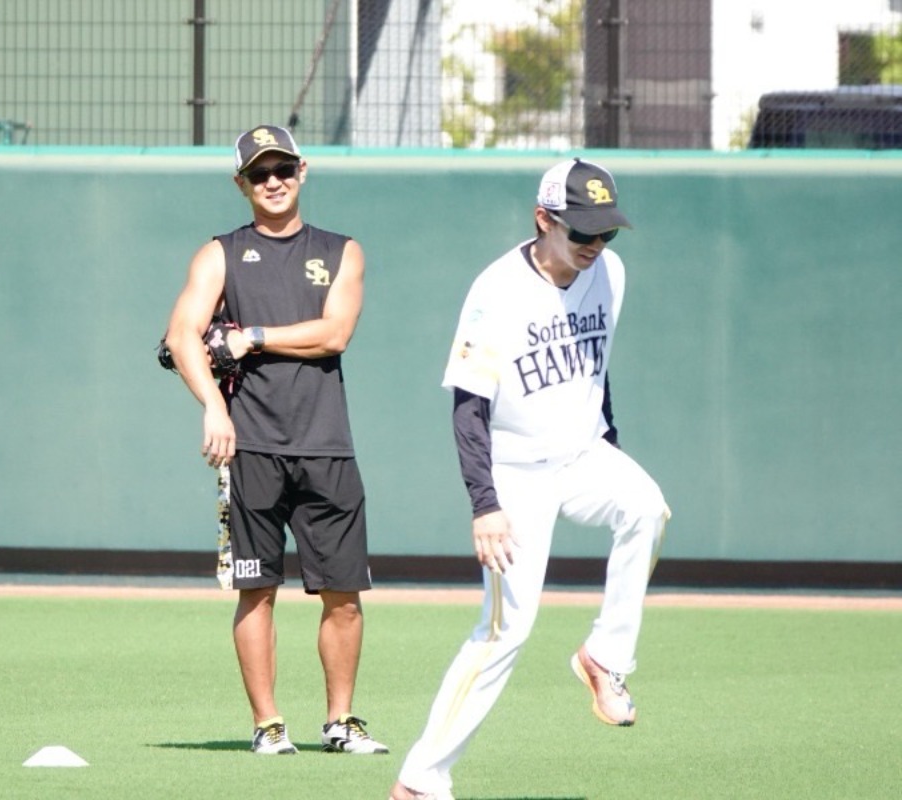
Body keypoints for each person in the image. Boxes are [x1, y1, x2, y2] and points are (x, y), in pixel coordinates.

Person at [389, 158, 670, 800]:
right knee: (504, 631)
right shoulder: (498, 292)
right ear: (543, 220)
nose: (596, 246)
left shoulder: (610, 275)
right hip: (514, 472)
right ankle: (420, 781)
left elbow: (594, 371)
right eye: (583, 233)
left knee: (647, 508)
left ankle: (605, 657)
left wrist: (614, 451)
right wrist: (484, 505)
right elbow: (468, 406)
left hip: (582, 452)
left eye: (607, 233)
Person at [163, 124, 388, 756]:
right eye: (259, 173)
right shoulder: (219, 254)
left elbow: (334, 334)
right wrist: (213, 406)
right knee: (255, 588)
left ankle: (340, 723)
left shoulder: (343, 251)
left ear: (302, 171)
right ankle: (267, 726)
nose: (273, 182)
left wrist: (251, 335)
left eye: (283, 168)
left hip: (328, 446)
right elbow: (182, 336)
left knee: (343, 594)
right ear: (241, 184)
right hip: (252, 447)